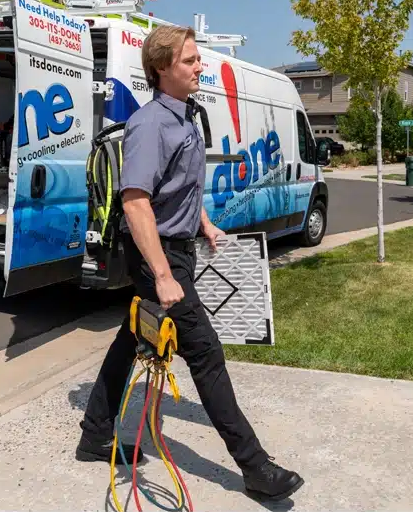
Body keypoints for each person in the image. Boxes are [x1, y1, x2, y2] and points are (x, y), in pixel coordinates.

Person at [74, 25, 305, 502]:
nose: (200, 67)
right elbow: (137, 202)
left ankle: (95, 433)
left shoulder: (186, 117)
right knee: (204, 354)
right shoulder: (151, 124)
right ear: (162, 69)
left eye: (198, 59)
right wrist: (162, 275)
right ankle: (255, 466)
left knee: (129, 338)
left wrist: (203, 223)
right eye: (190, 61)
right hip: (157, 253)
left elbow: (179, 186)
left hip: (177, 247)